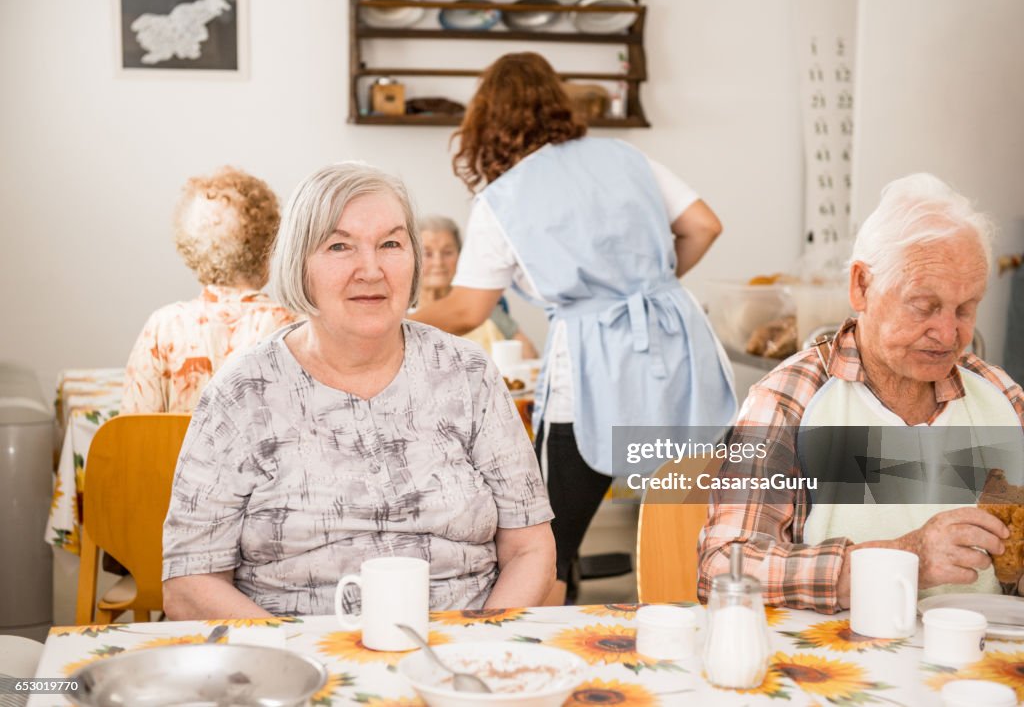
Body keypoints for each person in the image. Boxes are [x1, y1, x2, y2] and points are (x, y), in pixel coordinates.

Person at [162, 162, 555, 619]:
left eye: (390, 243)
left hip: (461, 656)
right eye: (339, 246)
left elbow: (531, 549)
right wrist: (300, 662)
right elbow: (189, 582)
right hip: (297, 667)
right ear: (298, 264)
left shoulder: (469, 374)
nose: (371, 269)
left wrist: (478, 646)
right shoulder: (242, 393)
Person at [411, 52, 736, 605]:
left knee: (545, 542)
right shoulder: (625, 156)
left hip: (587, 378)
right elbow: (704, 225)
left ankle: (547, 660)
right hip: (680, 351)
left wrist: (394, 316)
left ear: (487, 122)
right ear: (557, 102)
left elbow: (467, 310)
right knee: (697, 526)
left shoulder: (505, 197)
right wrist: (647, 283)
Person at [698, 173, 1024, 613]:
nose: (949, 333)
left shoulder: (1001, 397)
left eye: (965, 309)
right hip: (838, 667)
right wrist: (905, 558)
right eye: (924, 306)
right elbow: (724, 569)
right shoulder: (789, 399)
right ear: (861, 286)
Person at [121, 167, 297, 413]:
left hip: (172, 454)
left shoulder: (164, 326)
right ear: (269, 249)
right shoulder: (291, 329)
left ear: (191, 251)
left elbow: (132, 433)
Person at [418, 214, 538, 358]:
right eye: (428, 254)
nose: (438, 262)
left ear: (461, 257)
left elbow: (529, 354)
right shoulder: (400, 311)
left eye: (448, 253)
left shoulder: (480, 305)